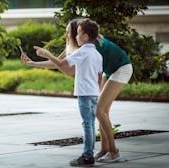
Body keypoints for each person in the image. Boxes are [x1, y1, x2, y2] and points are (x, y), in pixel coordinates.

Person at [21, 18, 133, 163]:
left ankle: (114, 152)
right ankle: (104, 150)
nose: (67, 35)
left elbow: (67, 69)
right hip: (108, 71)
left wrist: (48, 55)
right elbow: (58, 63)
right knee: (101, 112)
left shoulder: (88, 47)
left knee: (100, 111)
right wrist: (32, 63)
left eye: (68, 32)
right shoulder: (80, 44)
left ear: (79, 34)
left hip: (121, 68)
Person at [28, 19, 103, 167]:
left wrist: (46, 53)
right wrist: (33, 63)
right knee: (91, 124)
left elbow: (61, 64)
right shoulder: (97, 54)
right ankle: (89, 153)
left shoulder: (81, 51)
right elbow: (100, 76)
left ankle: (88, 156)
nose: (75, 36)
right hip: (93, 93)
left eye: (78, 34)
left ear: (85, 36)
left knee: (87, 124)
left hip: (84, 93)